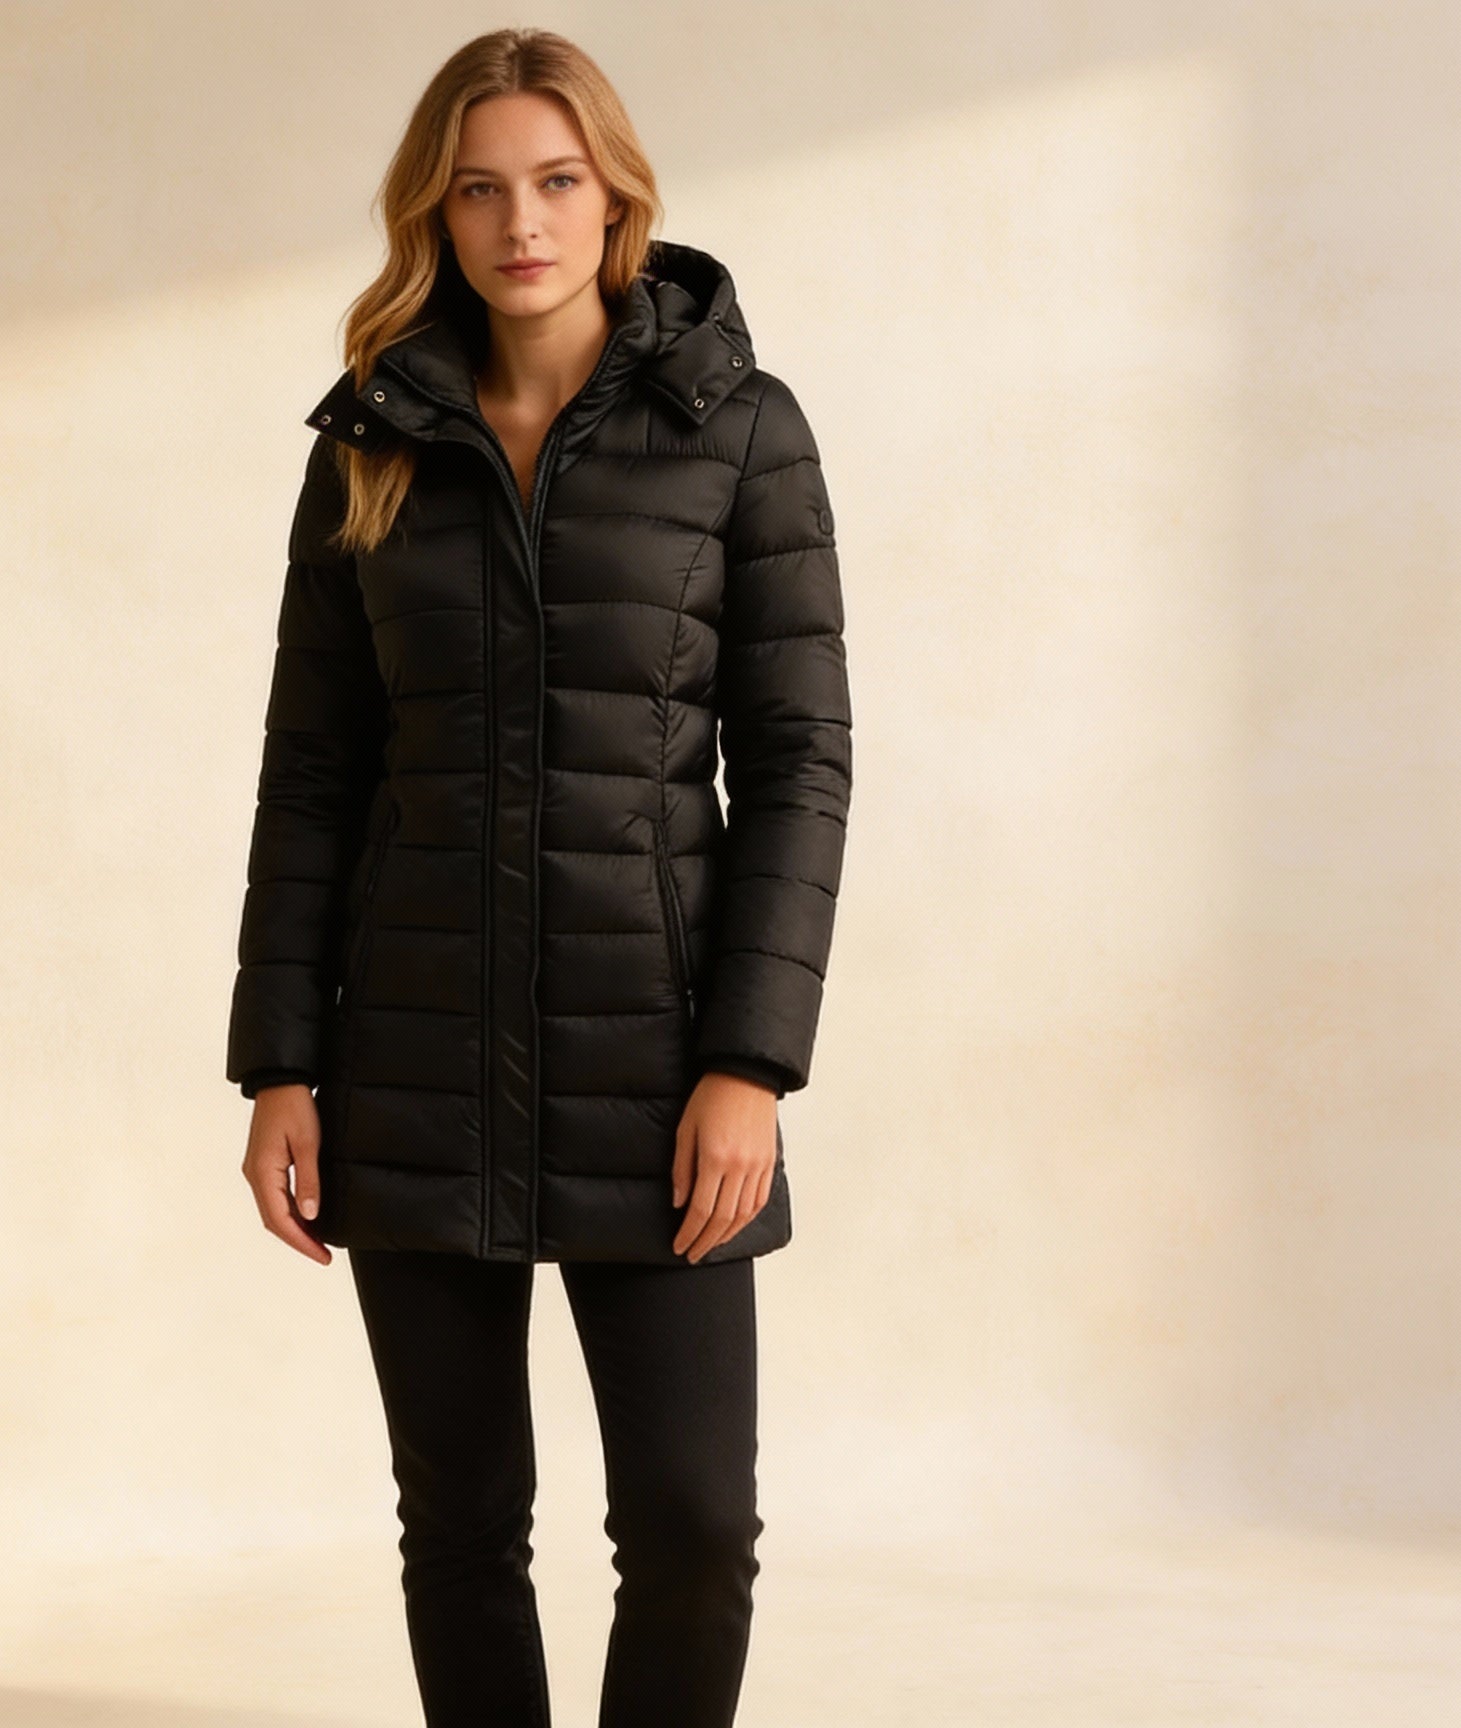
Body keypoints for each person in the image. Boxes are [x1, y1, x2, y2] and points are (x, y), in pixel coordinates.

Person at [224, 26, 851, 1728]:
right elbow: (312, 775)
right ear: (435, 213)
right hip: (411, 1058)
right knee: (459, 1529)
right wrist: (281, 1065)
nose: (522, 223)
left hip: (658, 1063)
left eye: (557, 181)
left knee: (693, 1527)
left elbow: (800, 761)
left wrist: (749, 1064)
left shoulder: (740, 432)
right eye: (481, 189)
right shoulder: (370, 443)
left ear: (615, 194)